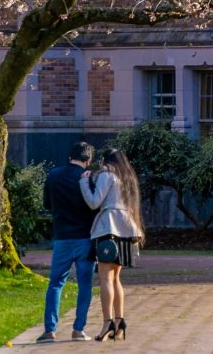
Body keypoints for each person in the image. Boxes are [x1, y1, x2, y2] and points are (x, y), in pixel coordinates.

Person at [83, 146, 144, 343]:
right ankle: (120, 321)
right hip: (128, 228)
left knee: (105, 278)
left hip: (108, 228)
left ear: (106, 161)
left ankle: (107, 323)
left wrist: (84, 182)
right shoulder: (128, 178)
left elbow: (94, 202)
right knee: (116, 278)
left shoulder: (107, 175)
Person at [40, 142, 98, 343]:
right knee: (85, 285)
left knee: (55, 283)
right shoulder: (87, 179)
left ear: (69, 157)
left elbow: (47, 203)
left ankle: (49, 329)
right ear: (88, 160)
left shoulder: (54, 175)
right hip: (85, 238)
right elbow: (94, 206)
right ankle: (78, 329)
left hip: (62, 237)